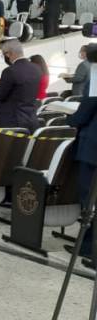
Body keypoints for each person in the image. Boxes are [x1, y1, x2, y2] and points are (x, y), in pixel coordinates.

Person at [67, 71, 97, 265]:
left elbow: (86, 110)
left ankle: (93, 250)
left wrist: (70, 120)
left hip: (93, 147)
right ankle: (85, 244)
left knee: (89, 198)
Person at [0, 39, 41, 131]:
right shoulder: (36, 68)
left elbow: (0, 95)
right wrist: (2, 81)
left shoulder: (9, 71)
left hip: (11, 122)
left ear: (8, 54)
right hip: (31, 119)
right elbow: (22, 86)